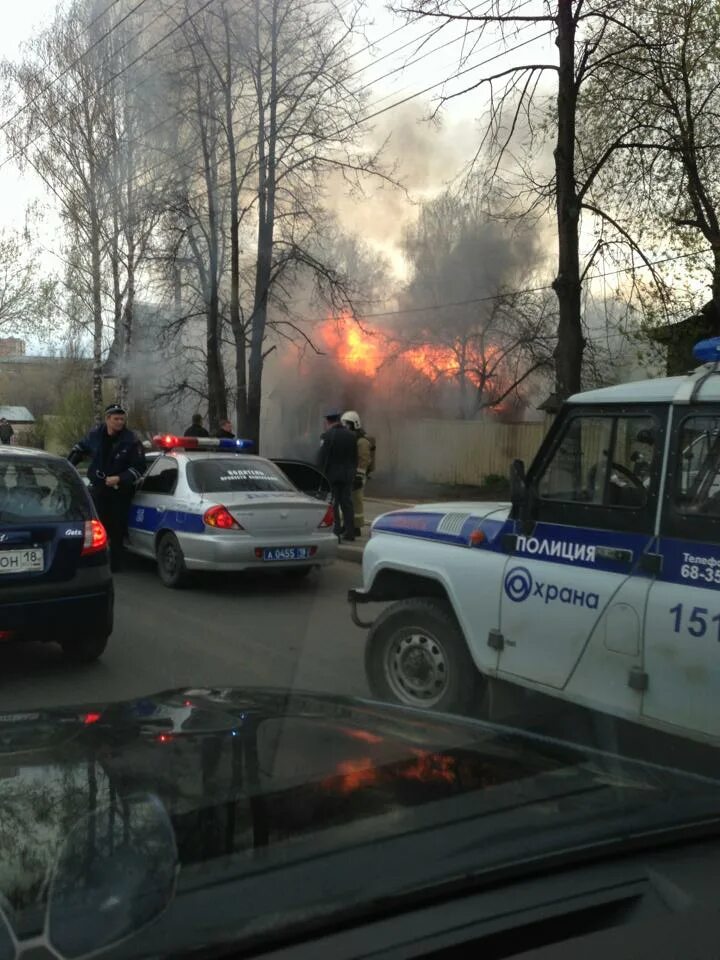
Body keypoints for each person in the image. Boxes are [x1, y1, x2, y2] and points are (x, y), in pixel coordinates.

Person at [68, 403, 146, 572]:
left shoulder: (131, 440)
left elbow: (139, 468)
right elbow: (80, 449)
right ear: (107, 419)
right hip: (98, 488)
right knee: (95, 526)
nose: (119, 422)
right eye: (116, 419)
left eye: (122, 419)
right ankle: (92, 561)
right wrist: (68, 466)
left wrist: (120, 478)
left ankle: (115, 565)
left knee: (116, 528)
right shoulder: (95, 435)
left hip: (119, 491)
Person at [318, 412, 357, 541]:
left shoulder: (326, 436)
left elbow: (322, 458)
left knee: (333, 504)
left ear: (328, 422)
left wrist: (320, 474)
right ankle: (350, 532)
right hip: (347, 476)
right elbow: (354, 458)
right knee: (347, 503)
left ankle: (335, 533)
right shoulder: (351, 436)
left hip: (331, 476)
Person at [342, 410, 372, 537]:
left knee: (356, 501)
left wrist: (359, 477)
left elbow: (364, 460)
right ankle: (349, 525)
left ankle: (356, 527)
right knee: (349, 501)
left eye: (347, 424)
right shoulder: (353, 439)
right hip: (350, 474)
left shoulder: (362, 441)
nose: (345, 427)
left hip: (358, 476)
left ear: (355, 424)